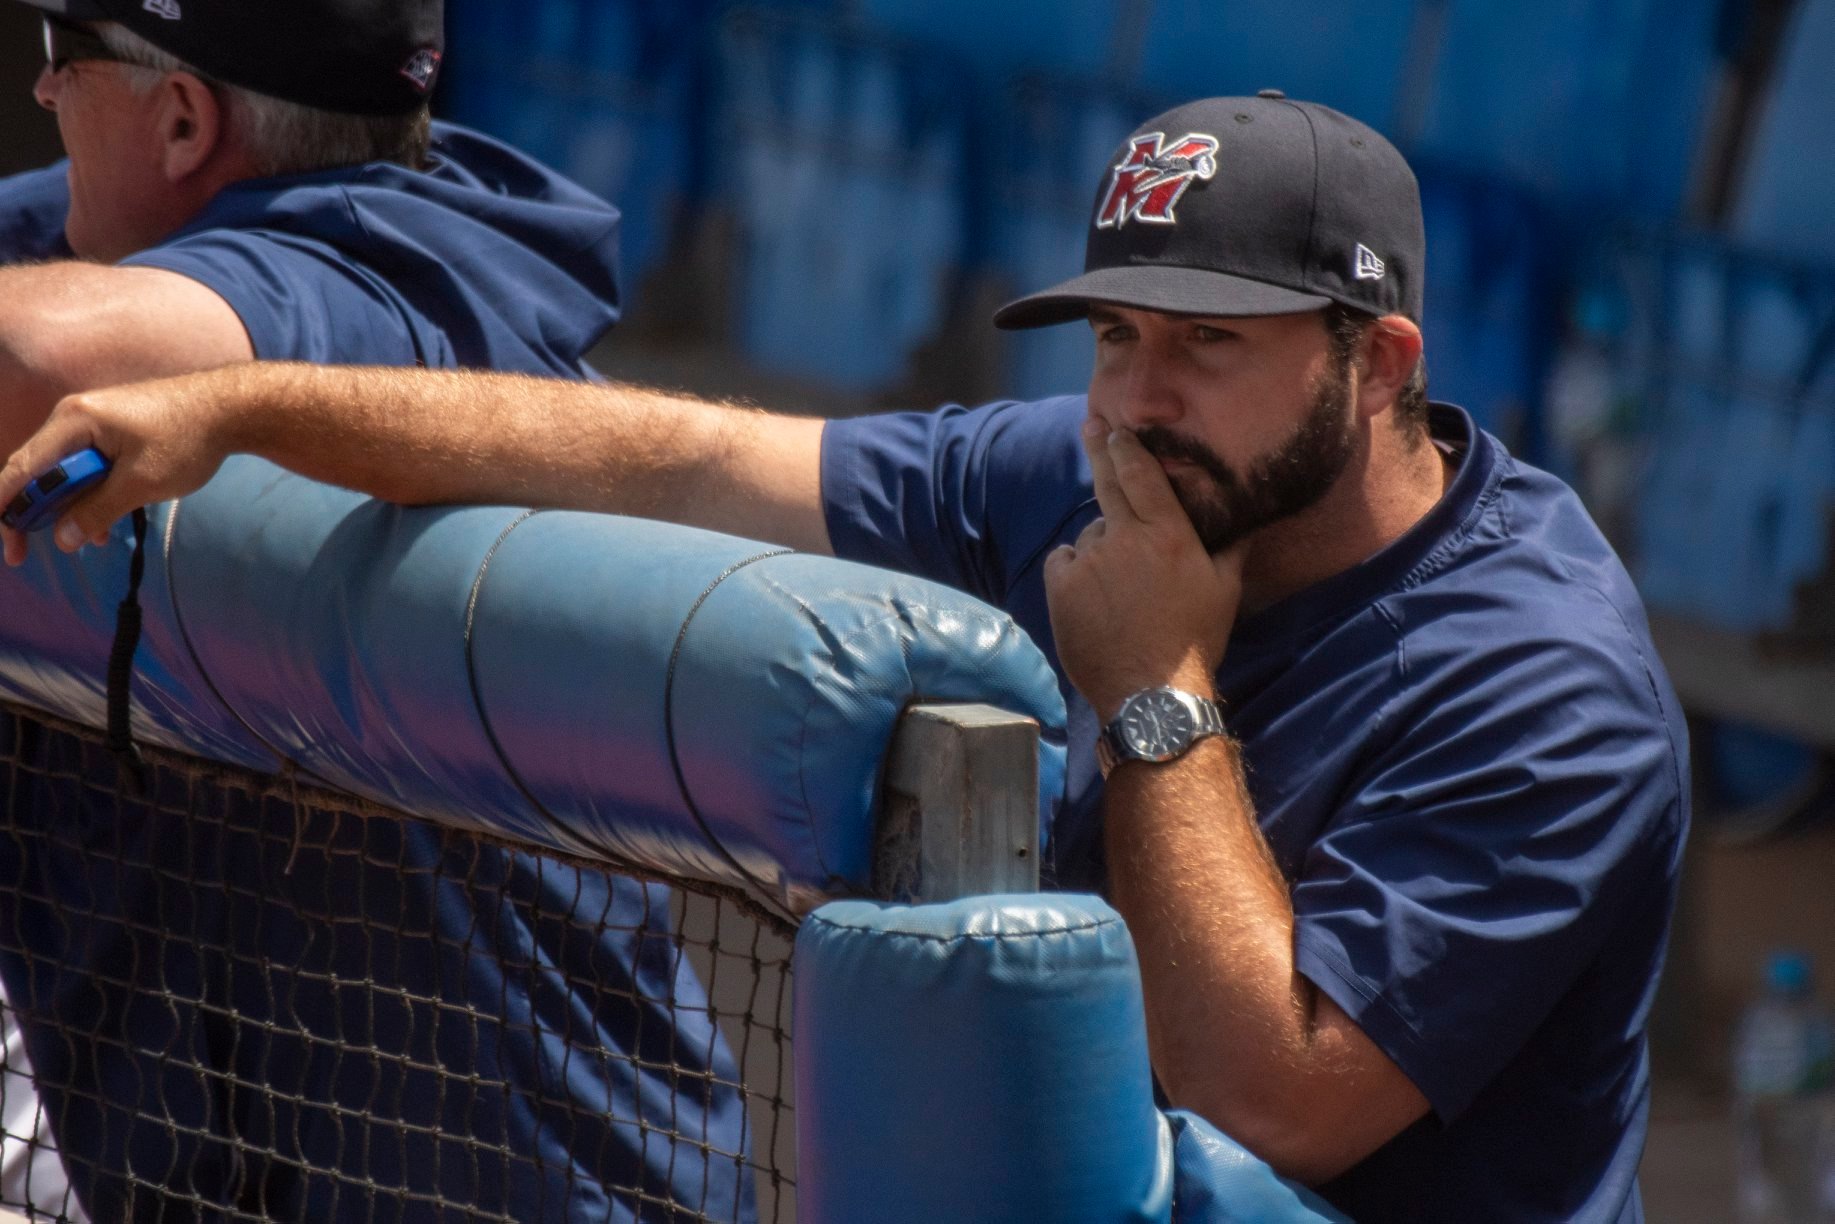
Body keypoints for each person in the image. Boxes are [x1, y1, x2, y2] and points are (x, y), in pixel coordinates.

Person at [2, 93, 1690, 1222]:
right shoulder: (1101, 471)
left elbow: (1288, 1101)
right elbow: (660, 454)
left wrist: (1157, 687)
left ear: (1378, 363)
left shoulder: (1540, 684)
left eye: (1208, 346)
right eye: (1116, 334)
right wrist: (238, 406)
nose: (1136, 392)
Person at [0, 1, 752, 1219]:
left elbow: (26, 362)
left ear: (184, 119)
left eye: (61, 57)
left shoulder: (386, 278)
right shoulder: (135, 231)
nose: (43, 96)